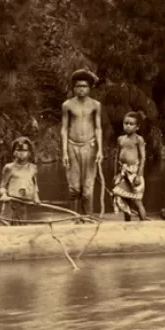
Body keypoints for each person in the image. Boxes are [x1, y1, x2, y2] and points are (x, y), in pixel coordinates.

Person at [61, 68, 103, 218]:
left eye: (84, 86)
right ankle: (75, 217)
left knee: (87, 187)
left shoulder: (95, 105)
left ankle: (88, 217)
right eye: (78, 86)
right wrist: (64, 152)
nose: (81, 89)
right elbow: (64, 128)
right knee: (74, 187)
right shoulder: (67, 105)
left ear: (89, 88)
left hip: (89, 147)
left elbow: (98, 128)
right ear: (73, 88)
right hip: (72, 146)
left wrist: (100, 150)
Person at [112, 111, 149, 221]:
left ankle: (144, 222)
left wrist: (139, 175)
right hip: (123, 172)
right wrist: (115, 174)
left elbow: (143, 158)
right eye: (126, 123)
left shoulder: (138, 139)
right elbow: (116, 157)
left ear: (137, 127)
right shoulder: (120, 139)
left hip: (134, 172)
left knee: (137, 201)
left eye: (131, 124)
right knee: (124, 199)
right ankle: (127, 223)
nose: (128, 126)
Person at [0, 137, 41, 224]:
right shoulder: (9, 167)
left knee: (21, 226)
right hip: (10, 203)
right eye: (19, 150)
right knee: (6, 226)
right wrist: (4, 195)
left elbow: (34, 185)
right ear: (14, 152)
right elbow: (2, 186)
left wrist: (36, 197)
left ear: (29, 153)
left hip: (23, 203)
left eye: (24, 150)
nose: (21, 153)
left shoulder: (33, 168)